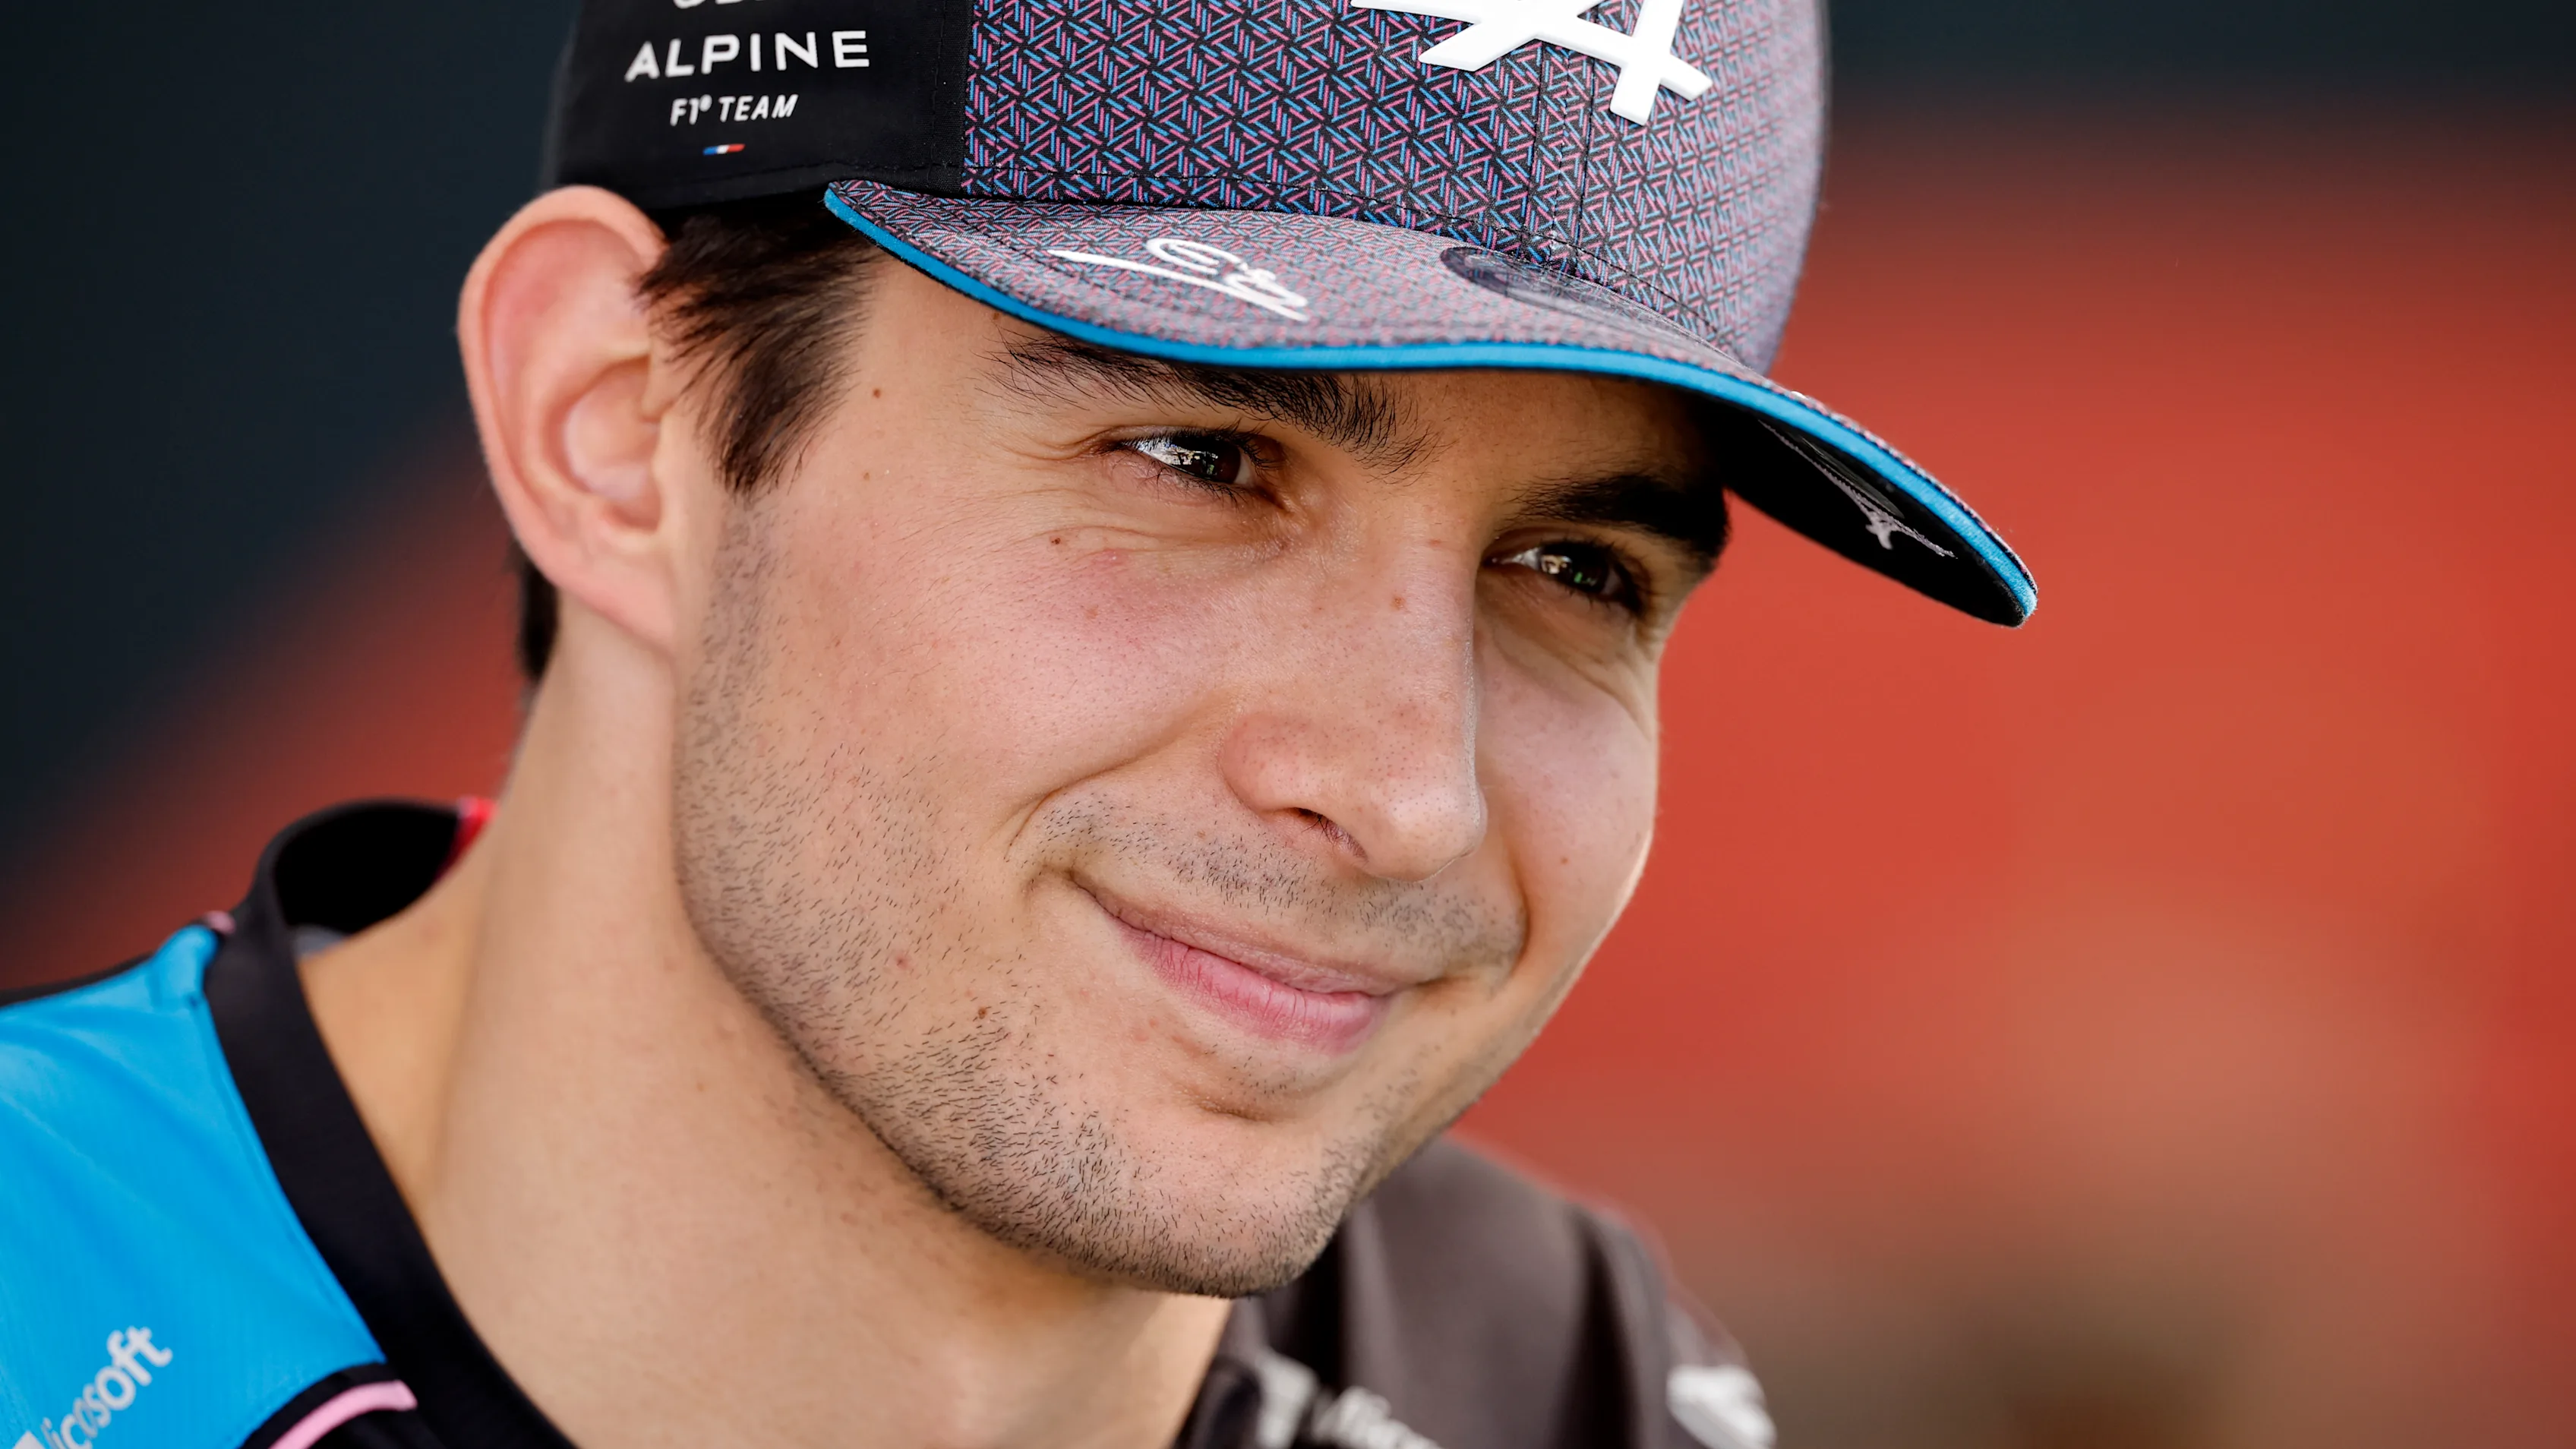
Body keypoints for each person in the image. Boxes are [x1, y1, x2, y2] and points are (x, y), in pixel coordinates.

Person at [0, 2, 2033, 1446]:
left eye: (1579, 567)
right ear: (616, 435)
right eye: (1197, 454)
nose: (1411, 789)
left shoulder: (1571, 1381)